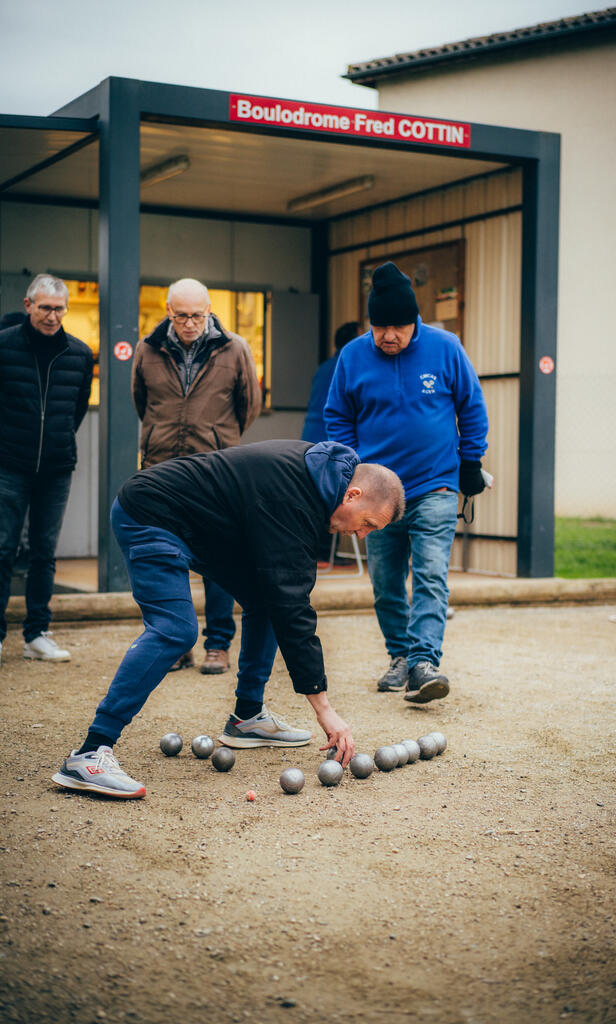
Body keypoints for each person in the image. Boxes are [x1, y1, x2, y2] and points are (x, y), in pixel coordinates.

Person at [51, 440, 404, 798]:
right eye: (368, 524)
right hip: (150, 512)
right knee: (175, 630)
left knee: (266, 599)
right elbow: (293, 607)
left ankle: (246, 718)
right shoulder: (295, 494)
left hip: (202, 526)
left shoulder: (318, 483)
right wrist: (323, 709)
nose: (361, 535)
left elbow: (286, 593)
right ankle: (90, 752)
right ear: (353, 495)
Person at [325, 261, 489, 704]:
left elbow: (472, 406)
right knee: (385, 581)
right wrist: (349, 470)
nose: (388, 336)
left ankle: (423, 663)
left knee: (432, 574)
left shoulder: (445, 347)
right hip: (377, 494)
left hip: (434, 484)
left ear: (415, 321)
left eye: (398, 326)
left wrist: (470, 462)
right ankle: (399, 655)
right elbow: (337, 416)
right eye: (380, 327)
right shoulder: (353, 355)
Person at [132, 278, 262, 676]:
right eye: (182, 315)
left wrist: (221, 440)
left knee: (219, 559)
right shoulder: (148, 349)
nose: (190, 323)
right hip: (162, 469)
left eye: (198, 316)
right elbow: (141, 400)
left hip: (215, 472)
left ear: (209, 312)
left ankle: (218, 644)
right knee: (165, 558)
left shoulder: (235, 348)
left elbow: (249, 407)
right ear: (168, 312)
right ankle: (174, 643)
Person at [0, 275, 93, 667]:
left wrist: (52, 441)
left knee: (44, 553)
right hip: (8, 465)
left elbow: (76, 409)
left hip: (55, 468)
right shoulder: (4, 347)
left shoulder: (80, 353)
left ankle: (36, 634)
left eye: (59, 308)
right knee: (2, 548)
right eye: (45, 308)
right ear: (28, 305)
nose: (52, 316)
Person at [301, 321, 360, 443]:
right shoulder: (351, 368)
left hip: (310, 439)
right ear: (354, 344)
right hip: (330, 444)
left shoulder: (324, 368)